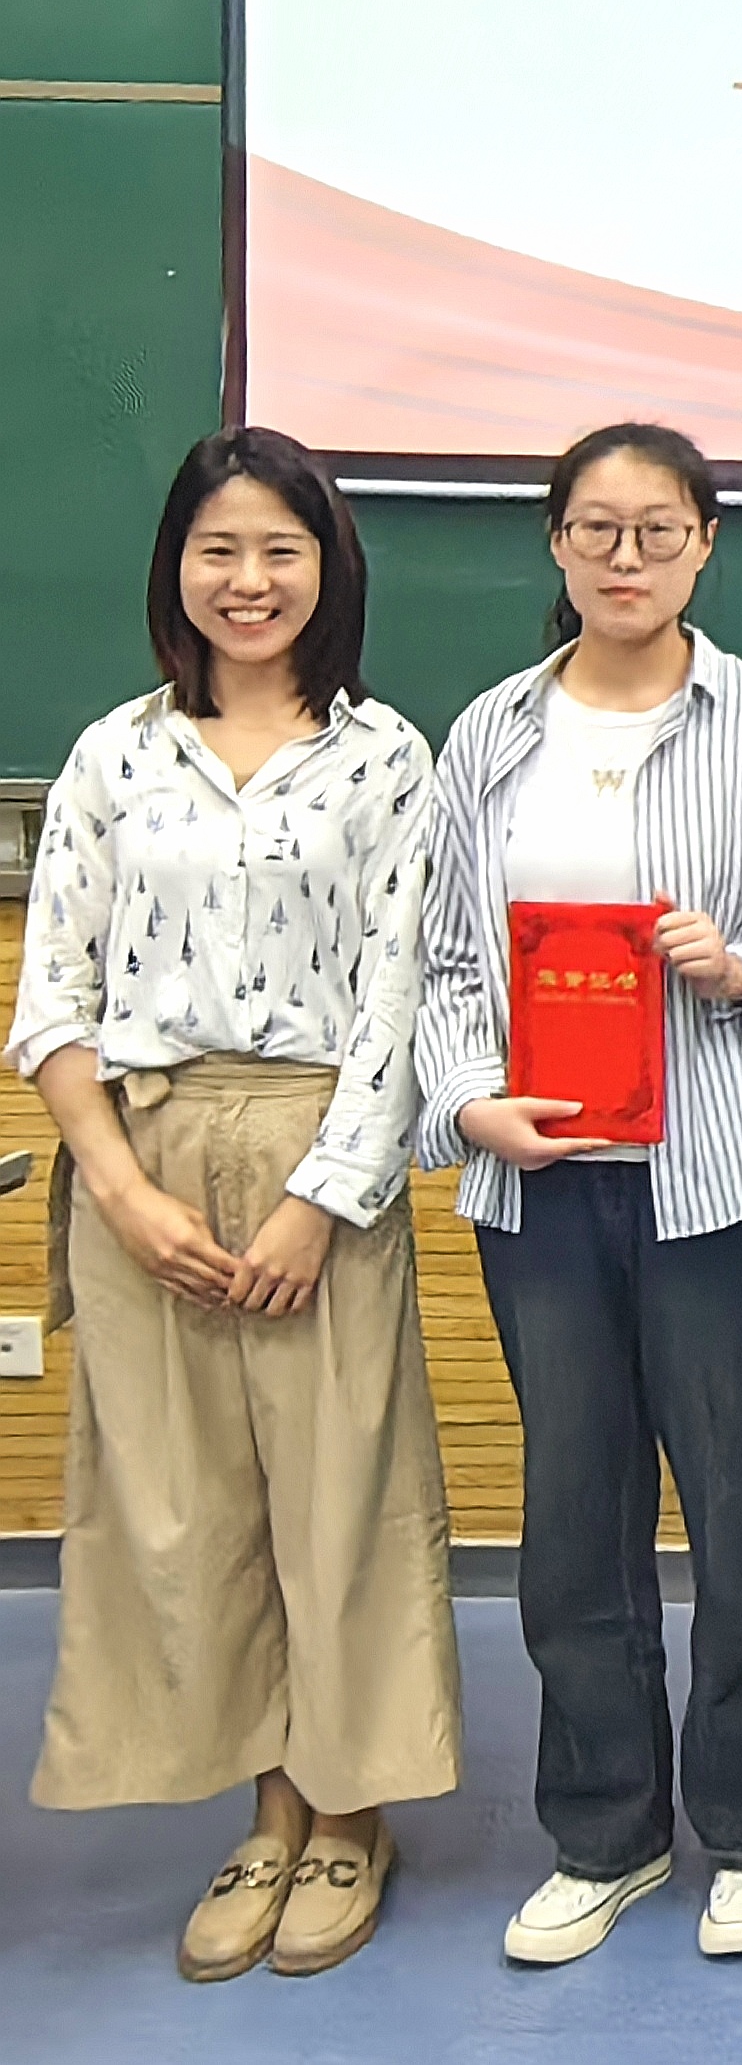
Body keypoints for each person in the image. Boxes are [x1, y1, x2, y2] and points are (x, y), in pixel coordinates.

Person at [9, 428, 457, 1981]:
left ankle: (345, 1813)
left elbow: (401, 996)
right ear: (177, 569)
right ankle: (263, 1812)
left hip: (317, 1153)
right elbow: (52, 999)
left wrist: (320, 1201)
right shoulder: (112, 755)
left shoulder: (387, 758)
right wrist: (120, 1191)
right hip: (143, 1155)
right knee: (181, 1508)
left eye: (280, 549)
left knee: (340, 1499)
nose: (248, 580)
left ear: (329, 569)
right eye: (219, 550)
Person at [413, 422, 742, 1968]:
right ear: (557, 543)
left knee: (741, 1516)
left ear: (705, 543)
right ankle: (603, 1832)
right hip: (540, 1187)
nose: (627, 556)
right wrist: (469, 1103)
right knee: (573, 1521)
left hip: (715, 1178)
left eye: (659, 529)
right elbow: (445, 960)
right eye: (597, 528)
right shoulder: (490, 733)